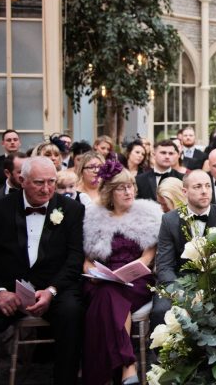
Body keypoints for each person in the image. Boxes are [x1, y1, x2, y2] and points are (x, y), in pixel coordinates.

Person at [0, 157, 85, 385]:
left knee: (72, 314)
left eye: (51, 182)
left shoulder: (72, 209)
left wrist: (52, 291)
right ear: (22, 180)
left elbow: (75, 258)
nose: (46, 189)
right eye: (38, 182)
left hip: (54, 288)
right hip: (8, 290)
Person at [82, 162, 162, 384]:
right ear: (109, 192)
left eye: (130, 186)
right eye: (121, 188)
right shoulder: (94, 218)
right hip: (104, 278)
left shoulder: (148, 213)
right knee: (107, 291)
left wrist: (128, 273)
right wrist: (92, 272)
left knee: (108, 295)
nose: (128, 192)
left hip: (138, 278)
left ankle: (119, 368)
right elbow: (87, 260)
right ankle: (127, 365)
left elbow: (148, 257)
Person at [152, 170, 216, 329]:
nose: (204, 191)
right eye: (197, 186)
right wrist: (181, 293)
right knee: (161, 311)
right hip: (178, 281)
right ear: (185, 191)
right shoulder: (169, 220)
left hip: (215, 283)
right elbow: (164, 266)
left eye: (207, 186)